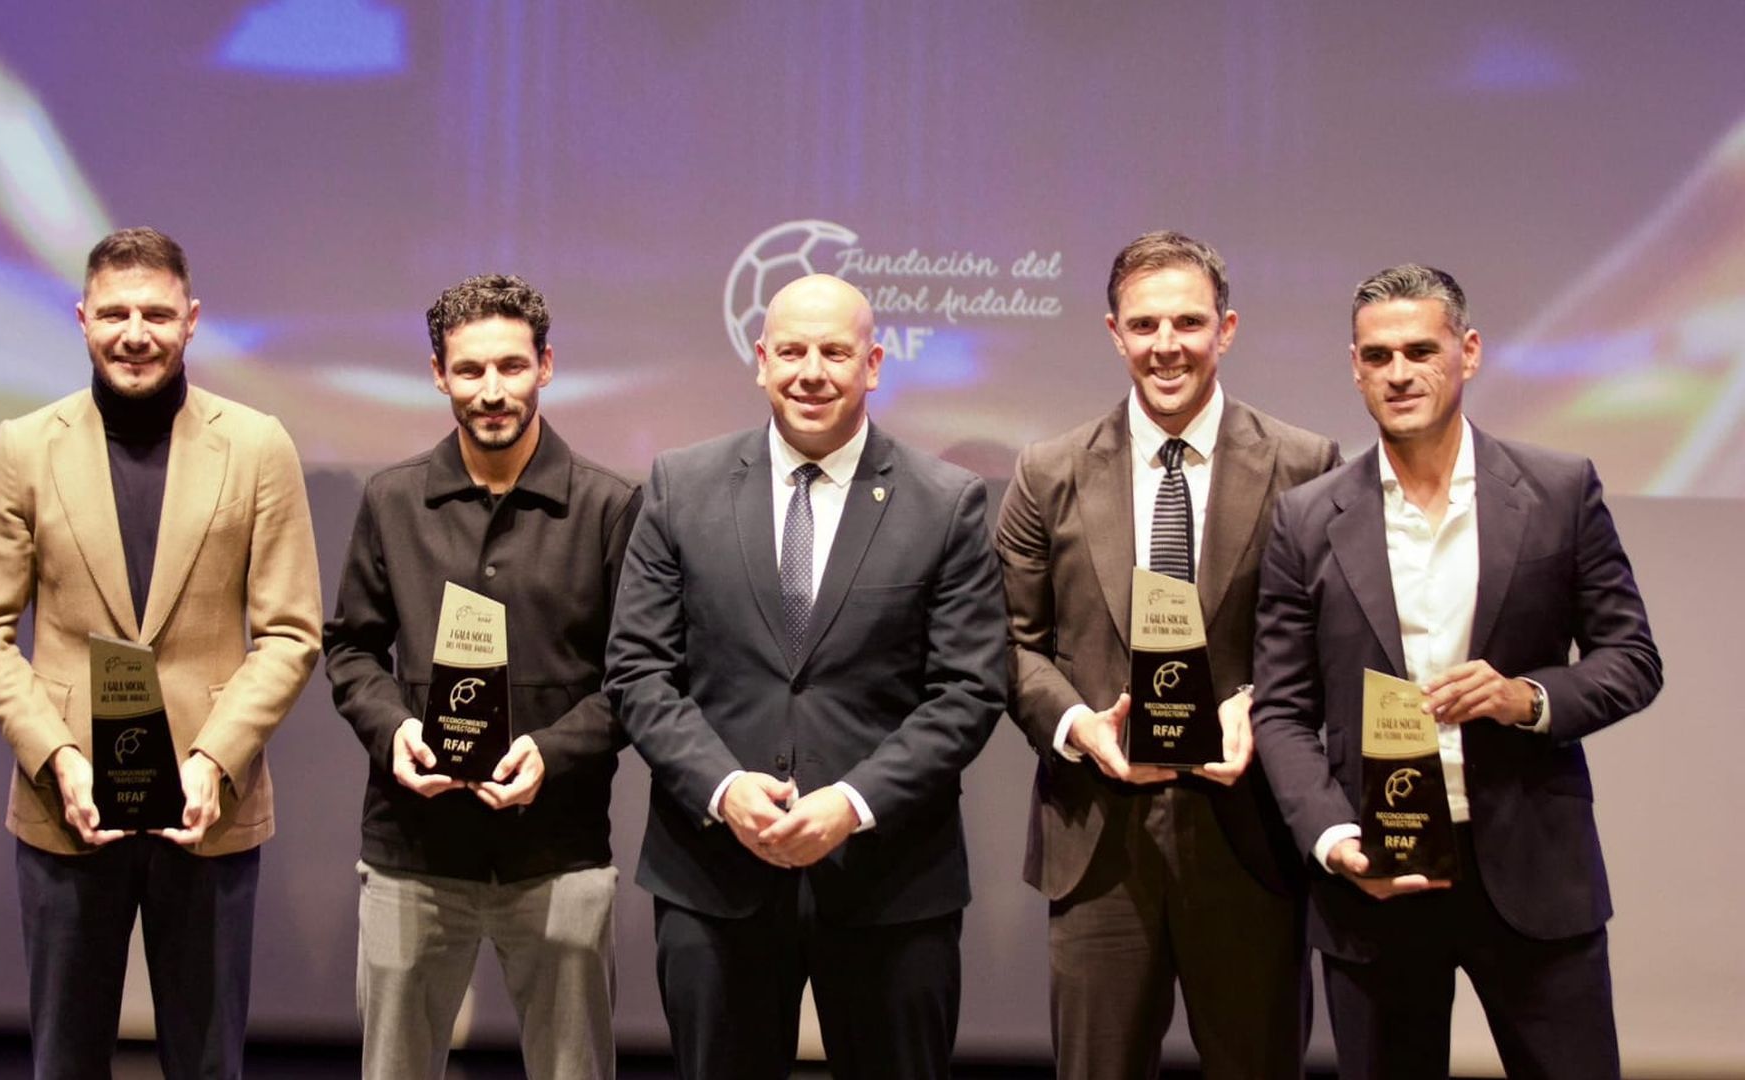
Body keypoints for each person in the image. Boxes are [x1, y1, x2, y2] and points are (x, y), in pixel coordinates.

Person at [1250, 263, 1663, 1079]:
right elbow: (1282, 710)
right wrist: (1334, 840)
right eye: (1377, 356)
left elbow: (1632, 658)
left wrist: (1525, 697)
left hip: (1534, 867)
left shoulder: (1557, 490)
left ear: (1467, 352)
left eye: (1420, 351)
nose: (1399, 373)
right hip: (1378, 871)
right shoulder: (1306, 519)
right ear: (1355, 368)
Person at [605, 273, 1008, 1079]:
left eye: (834, 352)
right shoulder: (679, 487)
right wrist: (724, 789)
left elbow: (969, 689)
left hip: (890, 883)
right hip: (715, 879)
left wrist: (852, 803)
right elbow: (638, 669)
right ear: (761, 359)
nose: (810, 372)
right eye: (791, 352)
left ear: (874, 364)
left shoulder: (946, 502)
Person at [0, 227, 321, 1079]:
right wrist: (60, 760)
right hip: (67, 808)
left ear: (192, 320)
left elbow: (292, 632)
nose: (135, 333)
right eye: (115, 313)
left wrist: (213, 760)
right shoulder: (24, 447)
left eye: (156, 314)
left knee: (209, 1065)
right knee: (65, 1062)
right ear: (82, 318)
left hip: (208, 810)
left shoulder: (258, 445)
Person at [996, 230, 1339, 1078]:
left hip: (1251, 835)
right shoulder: (1048, 472)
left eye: (1188, 322)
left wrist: (1261, 706)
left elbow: (1331, 638)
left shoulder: (1306, 466)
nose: (1166, 345)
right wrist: (1079, 727)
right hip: (1099, 838)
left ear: (1227, 329)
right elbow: (1009, 642)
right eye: (1145, 324)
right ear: (1114, 333)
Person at [323, 274, 640, 1079]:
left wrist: (553, 754)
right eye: (469, 370)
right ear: (439, 374)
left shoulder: (609, 507)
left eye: (511, 366)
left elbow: (637, 679)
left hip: (559, 848)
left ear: (546, 366)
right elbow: (352, 649)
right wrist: (394, 729)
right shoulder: (392, 500)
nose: (491, 391)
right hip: (412, 849)